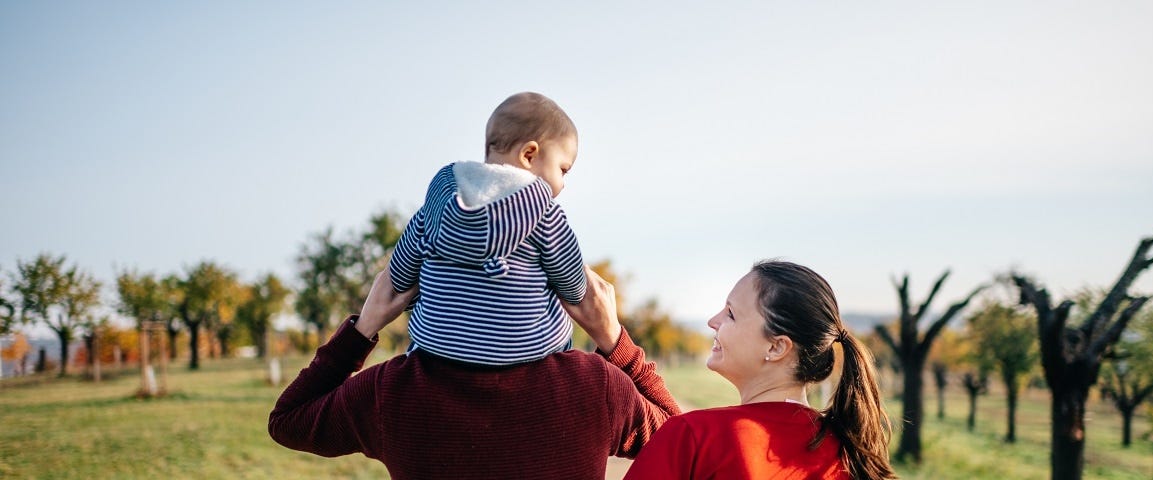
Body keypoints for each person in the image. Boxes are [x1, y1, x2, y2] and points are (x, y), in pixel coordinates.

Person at [268, 267, 681, 479]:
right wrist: (613, 340)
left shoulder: (392, 391)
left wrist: (364, 328)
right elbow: (680, 439)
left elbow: (287, 421)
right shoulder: (594, 386)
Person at [624, 260, 896, 480]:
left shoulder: (695, 437)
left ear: (777, 347)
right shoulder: (850, 455)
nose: (712, 321)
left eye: (730, 313)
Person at [387, 92, 587, 366]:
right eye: (563, 170)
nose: (562, 184)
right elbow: (574, 288)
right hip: (526, 357)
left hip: (437, 354)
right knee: (559, 322)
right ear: (529, 154)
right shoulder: (545, 214)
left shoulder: (436, 204)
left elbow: (399, 278)